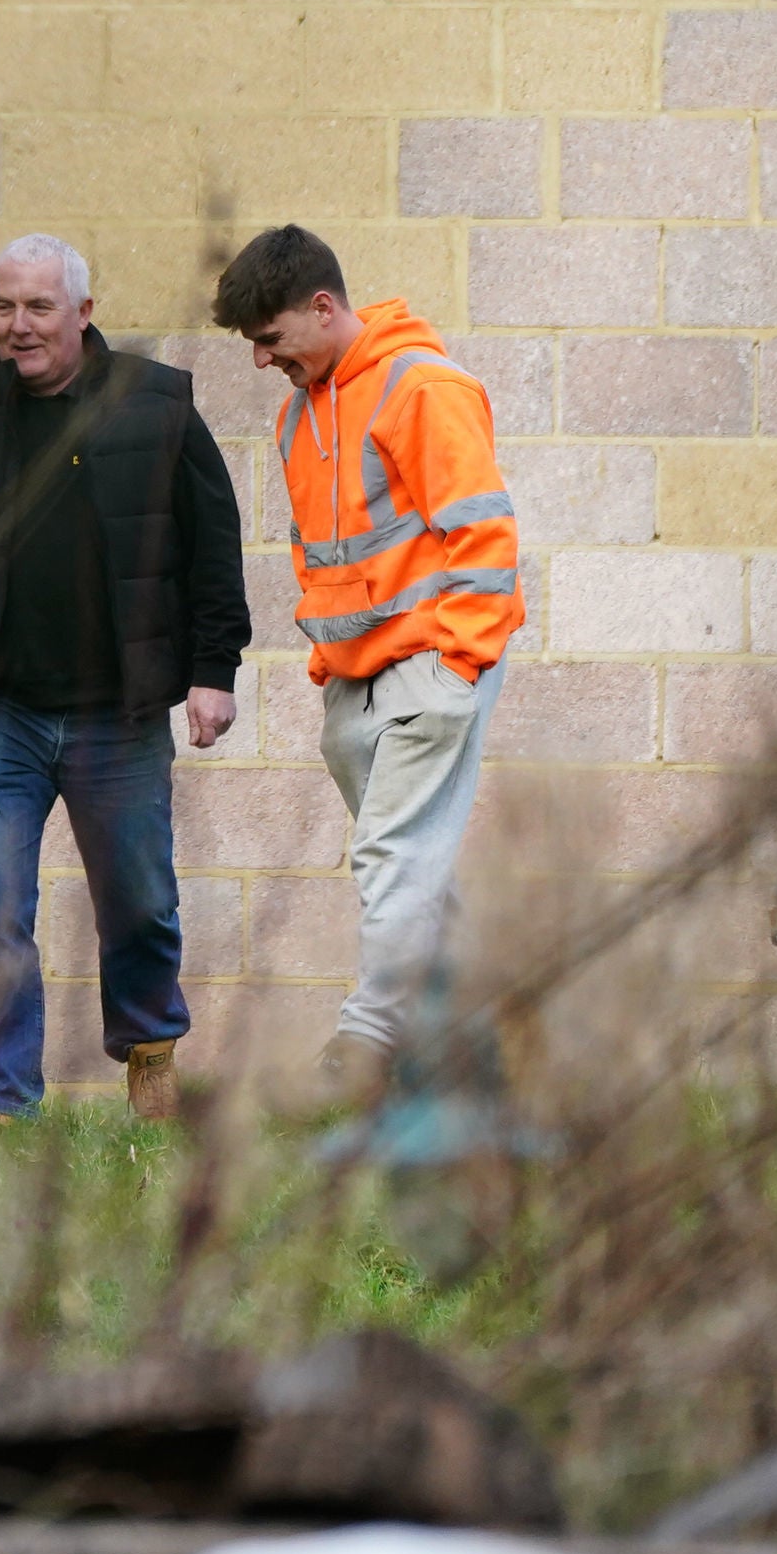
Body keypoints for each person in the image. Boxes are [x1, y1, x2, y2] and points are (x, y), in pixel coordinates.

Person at [0, 234, 249, 1129]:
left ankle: (150, 1049)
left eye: (39, 307)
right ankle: (1, 1098)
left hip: (119, 713)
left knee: (141, 902)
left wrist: (211, 670)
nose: (18, 325)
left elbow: (213, 547)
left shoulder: (157, 406)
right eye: (4, 306)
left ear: (83, 312)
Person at [209, 224, 522, 1112]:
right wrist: (329, 666)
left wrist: (458, 661)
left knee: (390, 856)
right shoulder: (297, 414)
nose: (263, 361)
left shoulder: (422, 386)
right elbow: (322, 557)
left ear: (321, 306)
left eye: (270, 338)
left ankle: (367, 1044)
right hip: (355, 682)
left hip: (433, 664)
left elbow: (485, 535)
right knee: (413, 870)